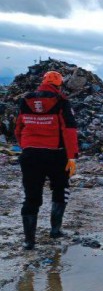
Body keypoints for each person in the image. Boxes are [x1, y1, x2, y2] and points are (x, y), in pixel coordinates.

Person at [14, 71, 78, 250]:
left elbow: (19, 126)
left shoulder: (26, 100)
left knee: (31, 196)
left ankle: (29, 241)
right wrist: (72, 156)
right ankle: (55, 230)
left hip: (30, 155)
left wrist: (26, 146)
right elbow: (69, 130)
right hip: (56, 155)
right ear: (59, 85)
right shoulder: (61, 101)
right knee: (60, 189)